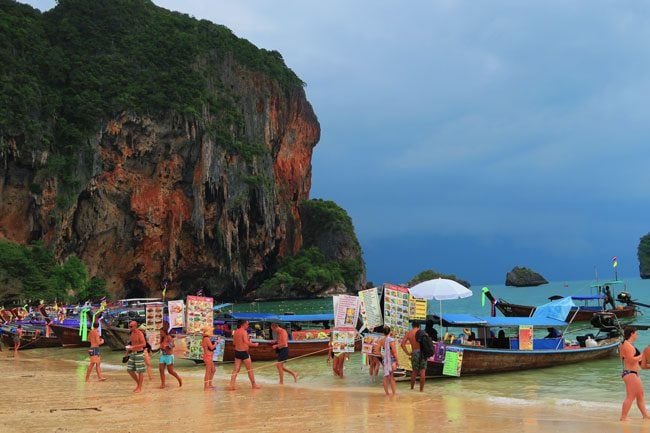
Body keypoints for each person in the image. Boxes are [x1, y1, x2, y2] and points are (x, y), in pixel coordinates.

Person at [620, 326, 648, 421]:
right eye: (636, 333)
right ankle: (623, 417)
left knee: (640, 395)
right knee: (630, 396)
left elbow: (638, 363)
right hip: (630, 373)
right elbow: (631, 360)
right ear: (632, 333)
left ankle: (645, 415)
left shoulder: (629, 345)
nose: (637, 335)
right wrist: (642, 355)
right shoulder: (627, 345)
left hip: (633, 373)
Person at [228, 320, 261, 390]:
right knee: (250, 370)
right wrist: (255, 344)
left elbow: (234, 343)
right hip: (244, 353)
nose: (248, 325)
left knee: (236, 369)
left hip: (237, 352)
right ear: (243, 324)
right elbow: (246, 342)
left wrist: (242, 342)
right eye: (247, 324)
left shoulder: (236, 331)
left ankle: (231, 385)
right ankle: (254, 385)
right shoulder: (244, 332)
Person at [401, 322, 426, 391]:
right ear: (419, 326)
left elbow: (402, 344)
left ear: (412, 326)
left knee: (414, 371)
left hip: (414, 352)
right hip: (423, 352)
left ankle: (412, 388)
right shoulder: (423, 332)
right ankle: (421, 390)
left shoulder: (409, 333)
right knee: (422, 371)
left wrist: (408, 353)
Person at [125, 320, 146, 393]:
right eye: (129, 326)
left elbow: (144, 344)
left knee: (140, 371)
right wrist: (127, 353)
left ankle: (139, 387)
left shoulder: (140, 333)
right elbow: (131, 344)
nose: (129, 327)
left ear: (135, 326)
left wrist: (133, 347)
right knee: (129, 370)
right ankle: (139, 384)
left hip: (139, 353)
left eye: (131, 326)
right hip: (133, 353)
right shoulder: (132, 333)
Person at [380, 326, 399, 396]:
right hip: (390, 359)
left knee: (385, 376)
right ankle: (394, 394)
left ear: (383, 332)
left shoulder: (381, 340)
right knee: (391, 376)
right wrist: (397, 361)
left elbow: (379, 351)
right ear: (389, 331)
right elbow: (394, 352)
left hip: (384, 359)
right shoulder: (391, 340)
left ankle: (387, 394)